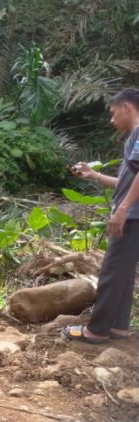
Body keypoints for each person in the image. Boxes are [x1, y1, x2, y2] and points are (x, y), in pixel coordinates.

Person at [62, 88, 139, 344]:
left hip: (133, 215)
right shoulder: (134, 137)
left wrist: (124, 208)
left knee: (113, 270)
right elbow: (126, 182)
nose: (111, 119)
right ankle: (118, 327)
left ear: (127, 107)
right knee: (124, 272)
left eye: (113, 112)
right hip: (134, 213)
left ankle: (96, 331)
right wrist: (93, 175)